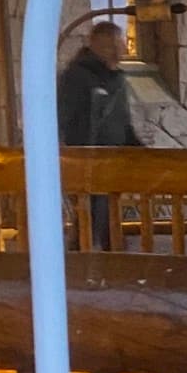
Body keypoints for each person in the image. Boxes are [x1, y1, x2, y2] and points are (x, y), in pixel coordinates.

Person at [56, 20, 137, 248]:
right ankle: (92, 258)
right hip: (86, 158)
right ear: (104, 46)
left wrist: (136, 148)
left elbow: (122, 121)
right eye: (119, 43)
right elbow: (64, 116)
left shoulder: (116, 79)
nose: (124, 48)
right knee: (91, 212)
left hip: (113, 157)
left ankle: (108, 253)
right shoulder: (78, 77)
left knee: (103, 211)